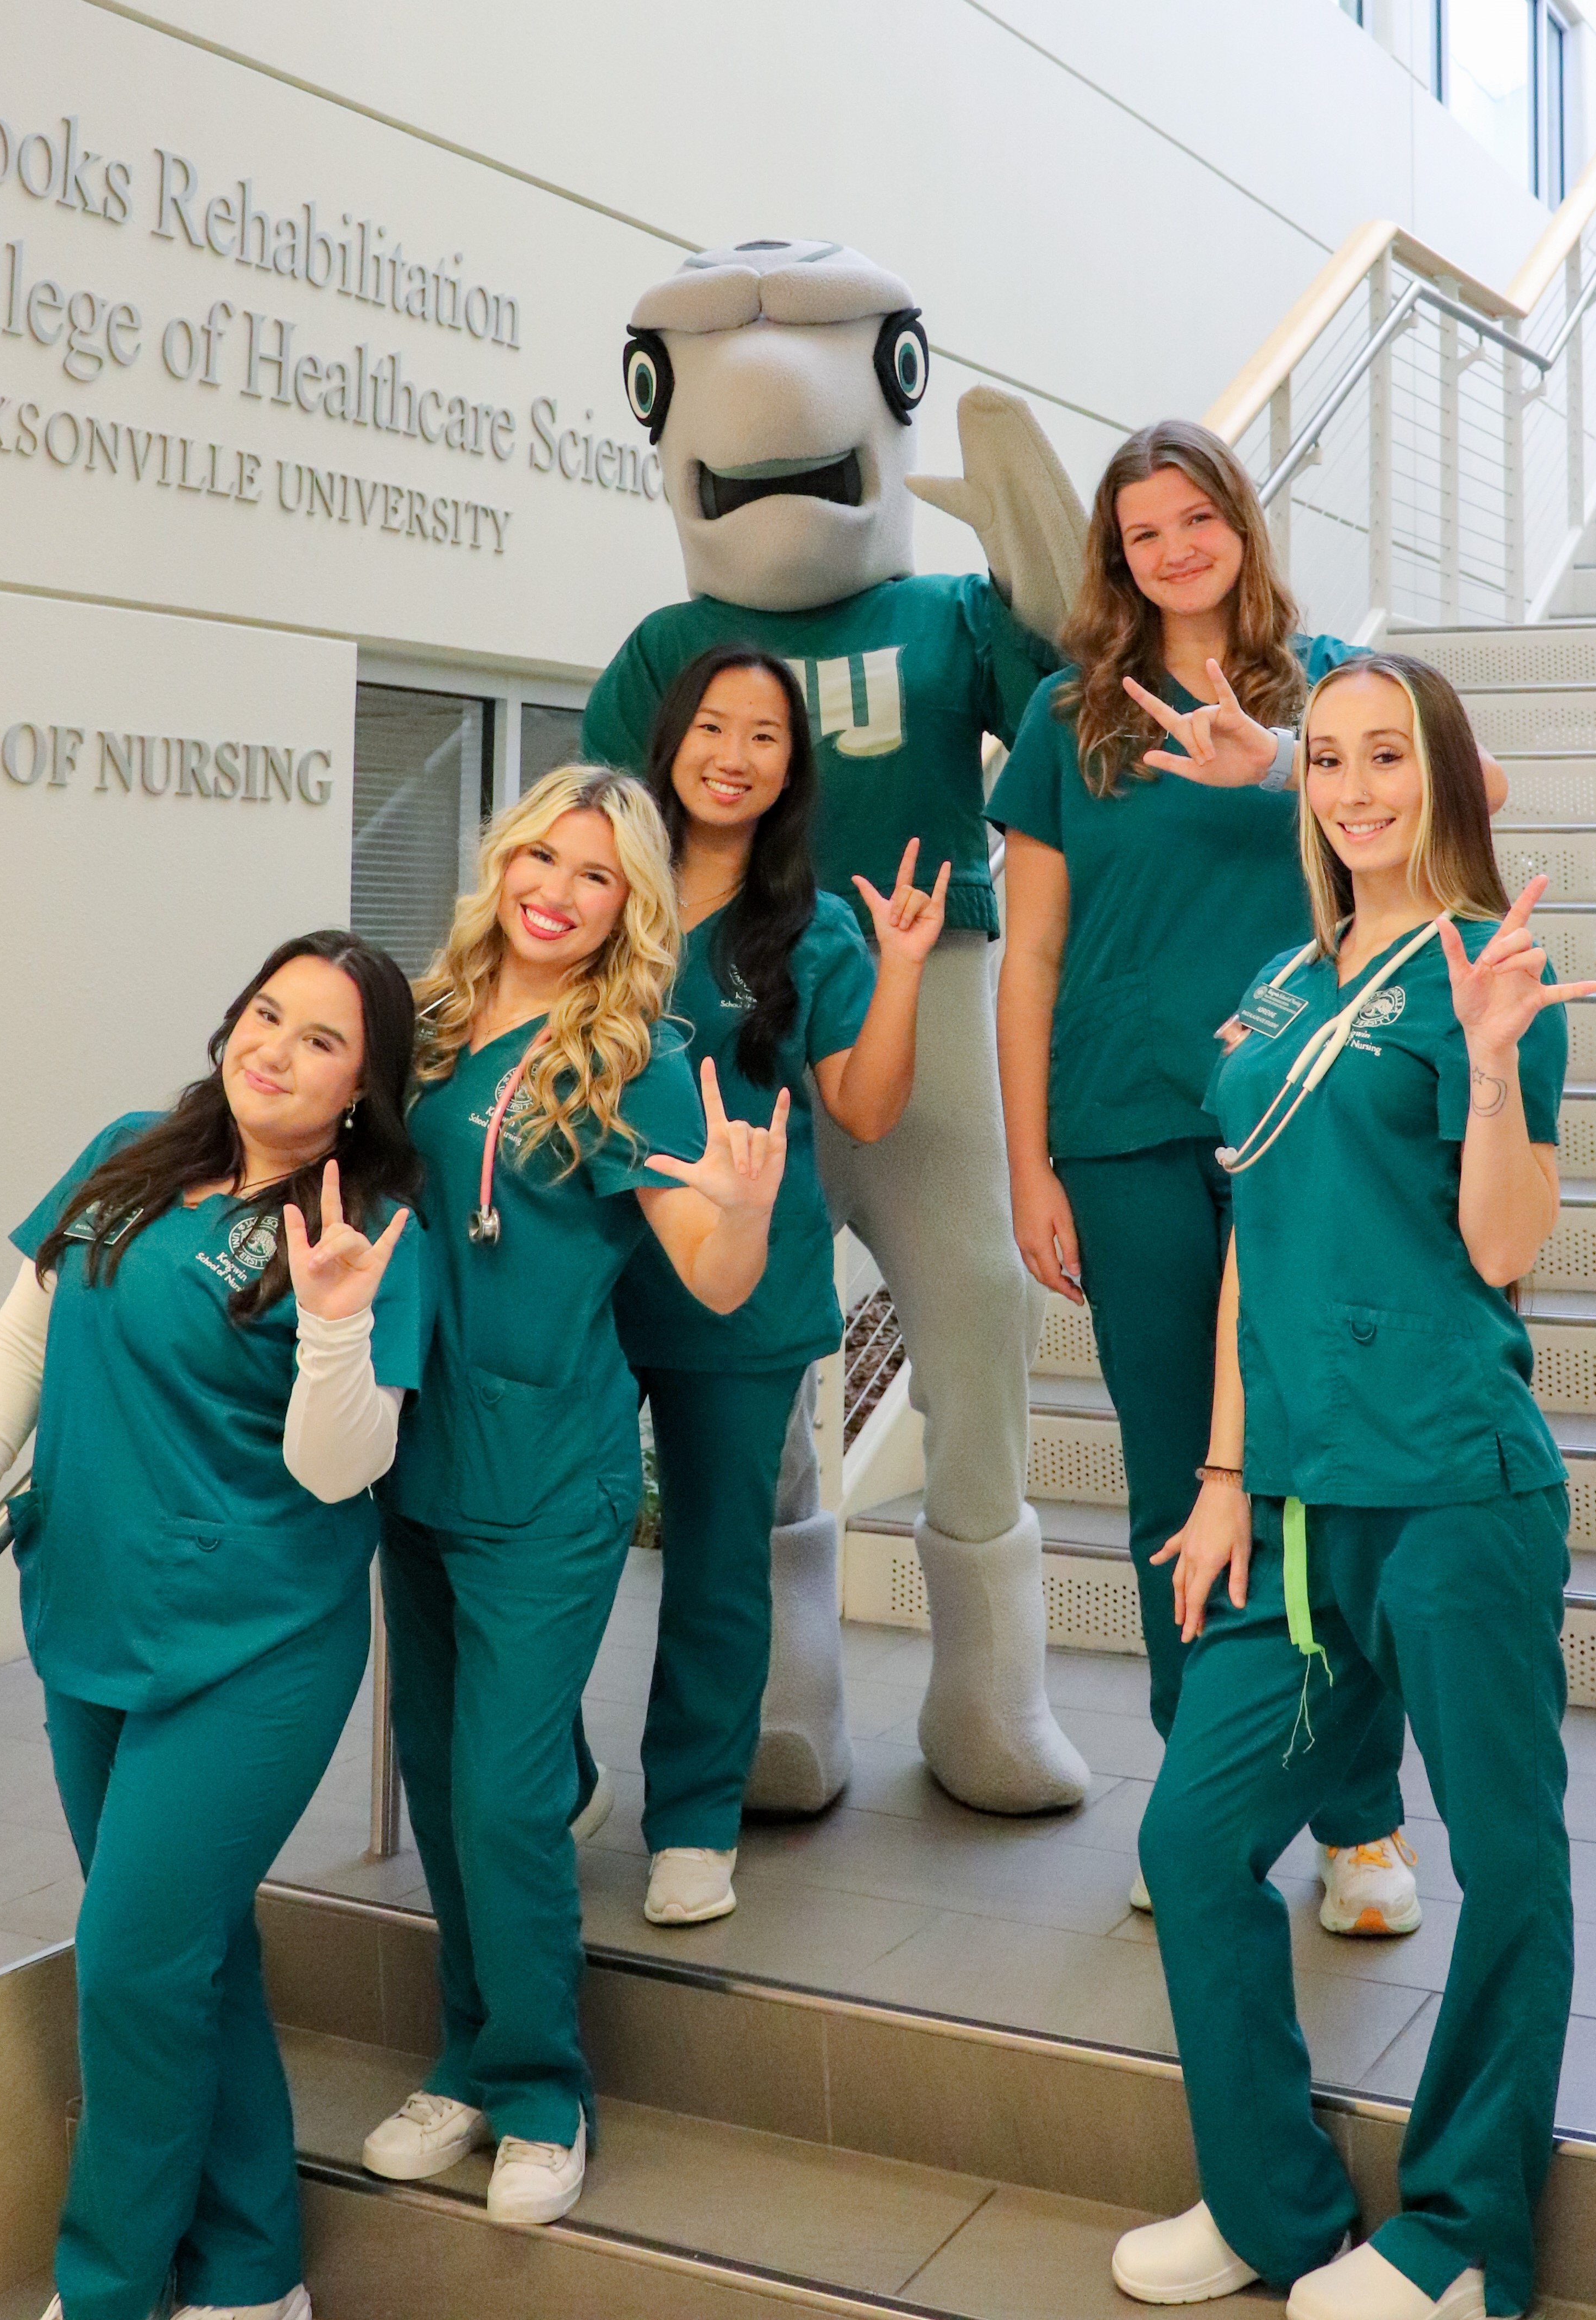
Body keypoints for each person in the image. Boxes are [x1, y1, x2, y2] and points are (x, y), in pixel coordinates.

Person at [584, 234, 1092, 1821]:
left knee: (979, 1316)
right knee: (750, 1350)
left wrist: (1048, 589)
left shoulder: (951, 618)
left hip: (934, 991)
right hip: (724, 1003)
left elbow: (1082, 724)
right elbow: (591, 831)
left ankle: (987, 1690)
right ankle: (781, 1693)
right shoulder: (667, 656)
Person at [1111, 655, 1587, 2320]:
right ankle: (1269, 2205)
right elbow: (1250, 1245)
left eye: (1388, 755)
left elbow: (1505, 1247)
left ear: (1443, 777)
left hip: (1452, 1489)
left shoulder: (1490, 969)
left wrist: (1490, 1062)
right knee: (1192, 1836)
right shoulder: (1276, 984)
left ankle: (1463, 2238)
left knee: (1510, 1861)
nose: (1355, 785)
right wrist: (1226, 1468)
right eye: (1327, 758)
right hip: (1294, 1508)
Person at [0, 932, 430, 2320]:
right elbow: (20, 1340)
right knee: (192, 1951)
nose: (276, 1049)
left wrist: (333, 1326)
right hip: (97, 1615)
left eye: (321, 1039)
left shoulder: (366, 1225)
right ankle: (251, 2276)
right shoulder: (133, 1151)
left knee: (131, 1960)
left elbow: (339, 1464)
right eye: (265, 1014)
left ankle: (111, 2286)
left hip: (260, 1643)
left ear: (365, 1087)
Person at [990, 418, 1469, 1935]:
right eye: (1144, 531)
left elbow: (1472, 806)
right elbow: (1032, 962)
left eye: (1196, 518)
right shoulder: (1066, 718)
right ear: (1114, 557)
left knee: (1316, 1460)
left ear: (1240, 527)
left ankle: (1356, 1821)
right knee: (1169, 1479)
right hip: (1126, 1132)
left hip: (1314, 1128)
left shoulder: (1332, 690)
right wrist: (1026, 1169)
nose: (1174, 548)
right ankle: (1203, 1799)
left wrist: (1277, 767)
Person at [360, 766, 787, 2226]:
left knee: (504, 1792)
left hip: (549, 1472)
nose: (556, 887)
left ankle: (543, 2089)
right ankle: (467, 2061)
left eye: (594, 874)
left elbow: (715, 1280)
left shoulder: (634, 1058)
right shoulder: (412, 1031)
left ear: (630, 906)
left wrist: (745, 1203)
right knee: (436, 1773)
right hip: (409, 1457)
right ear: (503, 861)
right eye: (541, 853)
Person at [613, 644, 948, 1926]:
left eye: (765, 735)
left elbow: (863, 1100)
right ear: (672, 740)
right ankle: (547, 1772)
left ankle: (693, 1817)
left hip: (740, 1289)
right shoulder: (602, 895)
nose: (734, 754)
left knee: (714, 1559)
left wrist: (908, 965)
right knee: (552, 1545)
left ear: (792, 770)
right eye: (713, 726)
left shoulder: (811, 931)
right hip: (577, 1275)